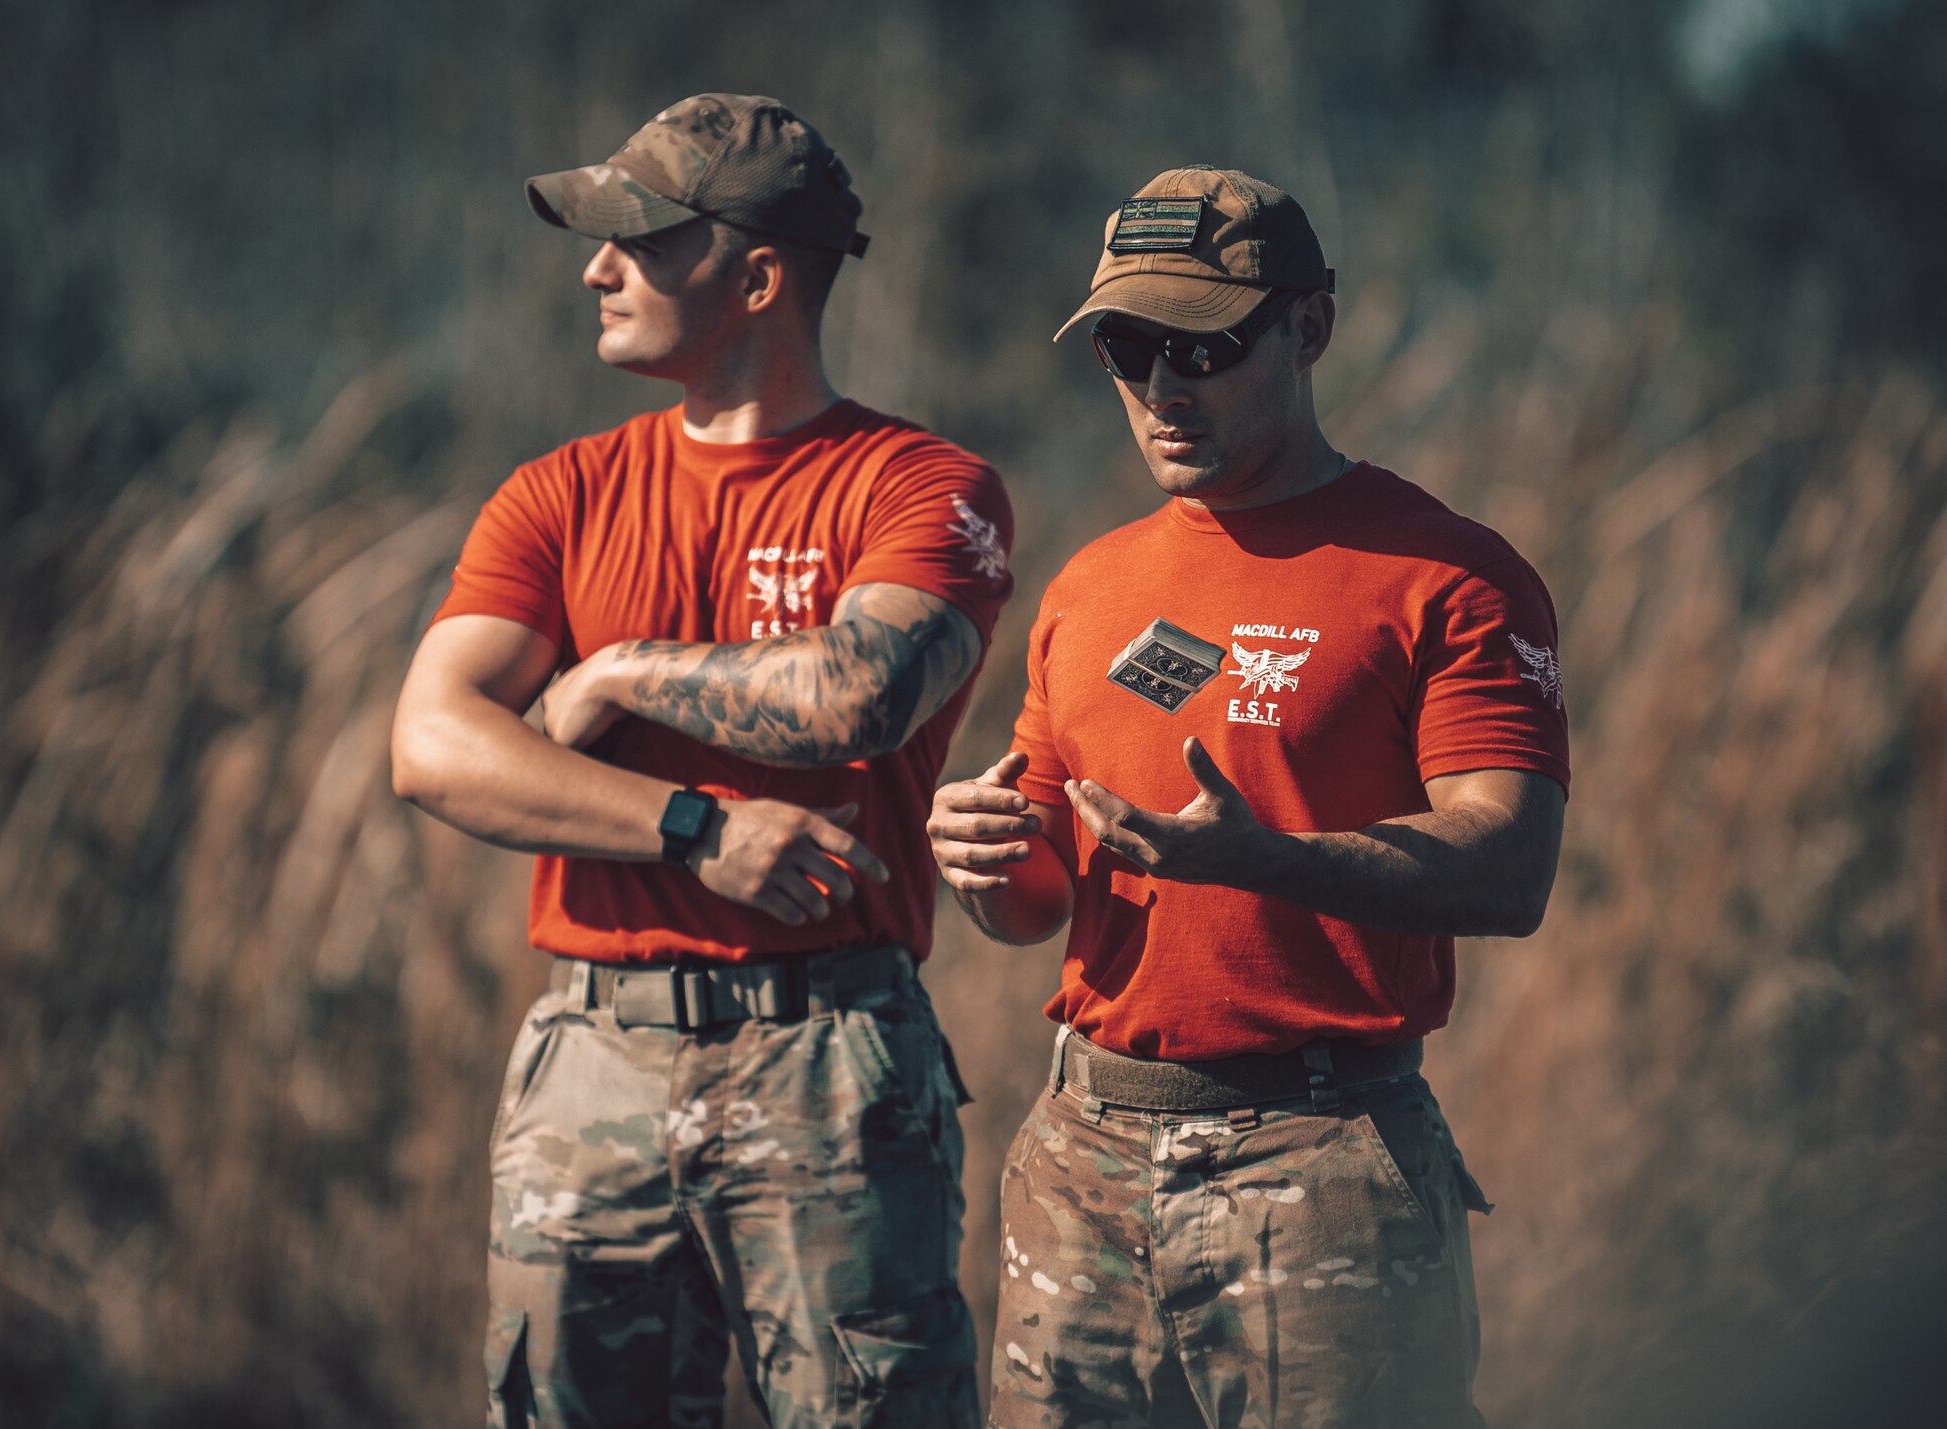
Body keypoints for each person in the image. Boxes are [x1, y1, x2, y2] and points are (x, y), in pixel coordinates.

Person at [391, 93, 1012, 1429]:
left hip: (832, 1054)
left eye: (639, 238)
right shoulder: (556, 494)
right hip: (592, 1055)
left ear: (759, 275)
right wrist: (693, 825)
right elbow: (435, 744)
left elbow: (860, 693)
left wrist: (611, 672)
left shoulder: (924, 487)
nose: (595, 267)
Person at [928, 166, 1569, 1428]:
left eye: (1202, 346)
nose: (1161, 388)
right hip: (1080, 1154)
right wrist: (988, 862)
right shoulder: (1090, 581)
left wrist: (1269, 858)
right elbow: (1041, 900)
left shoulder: (1449, 577)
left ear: (1307, 328)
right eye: (1126, 346)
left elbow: (1507, 865)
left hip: (1320, 1159)